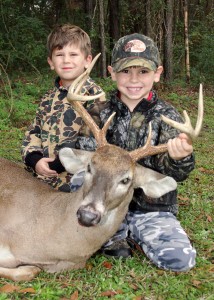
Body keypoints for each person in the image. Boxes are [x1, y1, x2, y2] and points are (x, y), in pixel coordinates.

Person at [75, 33, 196, 272]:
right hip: (104, 202)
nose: (133, 80)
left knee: (179, 261)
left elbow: (175, 176)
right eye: (125, 71)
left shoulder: (168, 117)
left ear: (158, 73)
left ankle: (130, 230)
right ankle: (115, 233)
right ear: (111, 72)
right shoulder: (98, 110)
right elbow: (84, 154)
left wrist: (180, 158)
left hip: (151, 208)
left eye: (143, 72)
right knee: (81, 176)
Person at [21, 24, 105, 192]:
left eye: (73, 54)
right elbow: (33, 132)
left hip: (75, 184)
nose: (66, 60)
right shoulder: (48, 98)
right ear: (51, 62)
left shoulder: (94, 95)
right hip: (42, 181)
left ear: (87, 61)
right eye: (59, 55)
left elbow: (92, 139)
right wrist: (34, 159)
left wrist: (59, 163)